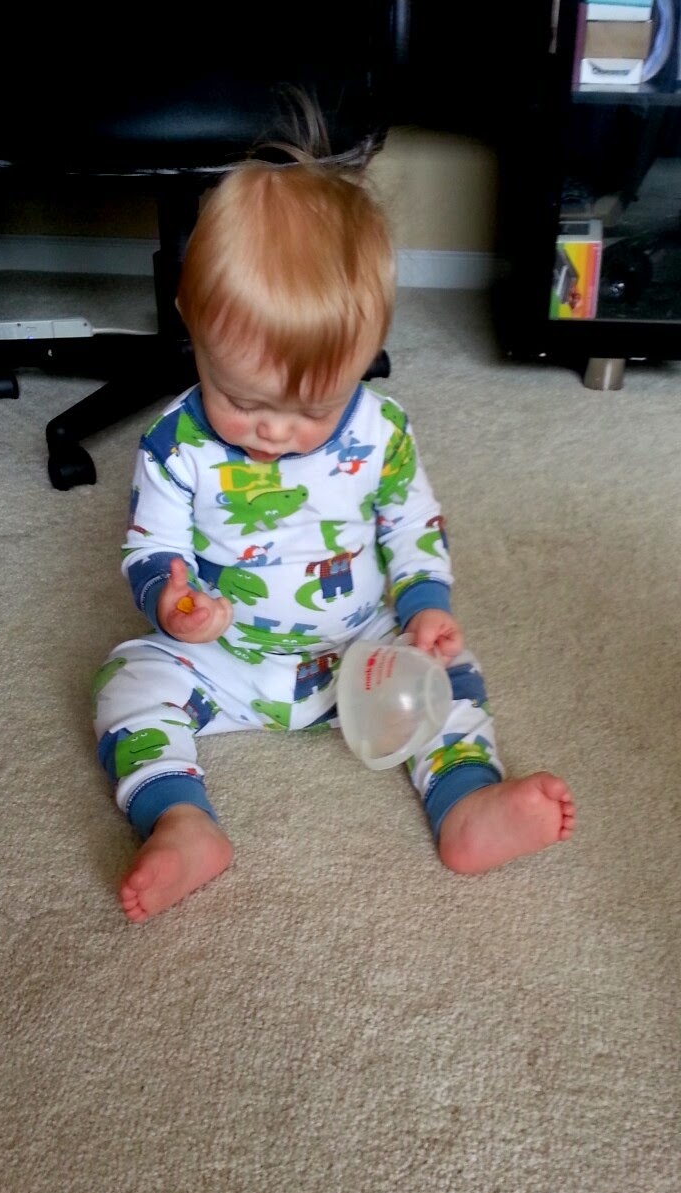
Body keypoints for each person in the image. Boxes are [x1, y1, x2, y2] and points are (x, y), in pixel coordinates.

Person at [92, 111, 575, 923]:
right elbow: (153, 544)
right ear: (191, 320)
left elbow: (413, 525)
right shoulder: (174, 443)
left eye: (313, 409)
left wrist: (425, 609)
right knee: (123, 683)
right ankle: (179, 819)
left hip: (363, 651)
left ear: (367, 350)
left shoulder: (382, 433)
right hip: (228, 656)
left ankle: (465, 802)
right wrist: (173, 604)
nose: (274, 432)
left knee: (453, 676)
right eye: (242, 399)